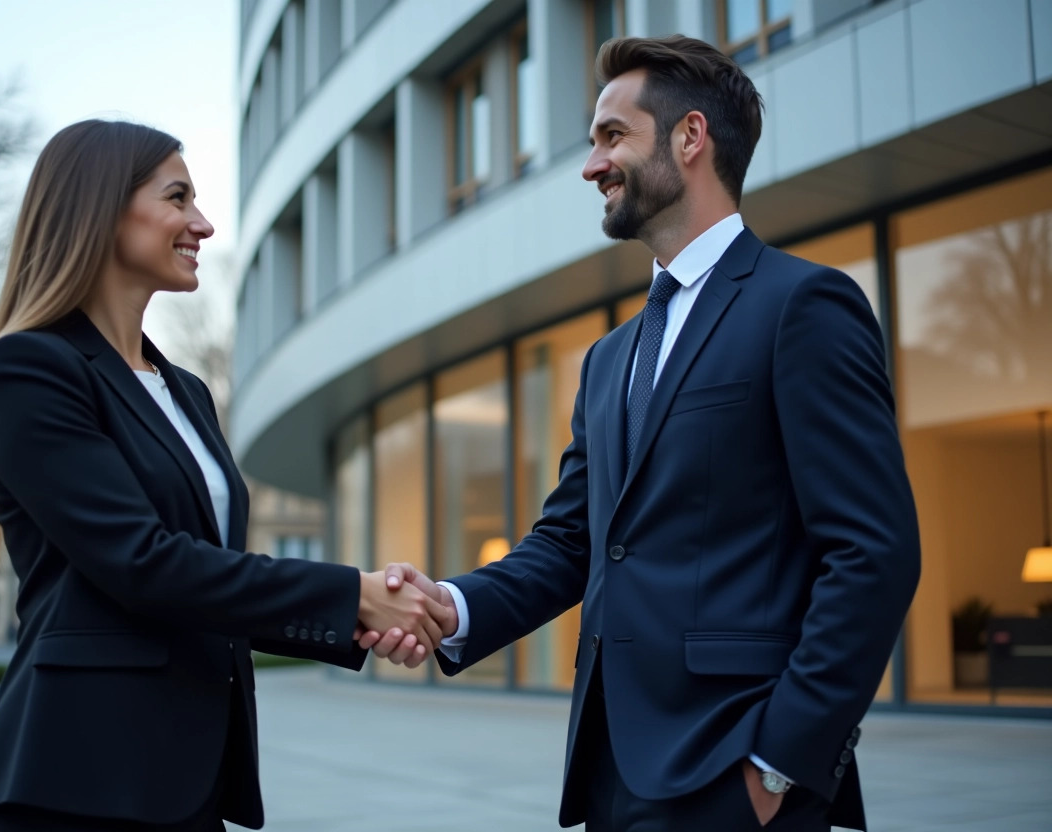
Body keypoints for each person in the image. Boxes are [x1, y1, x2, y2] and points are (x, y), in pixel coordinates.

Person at [366, 36, 921, 832]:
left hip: (737, 771)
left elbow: (875, 552)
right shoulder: (609, 358)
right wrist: (450, 607)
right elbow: (570, 544)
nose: (592, 165)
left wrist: (780, 765)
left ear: (690, 137)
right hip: (609, 774)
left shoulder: (802, 307)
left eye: (611, 137)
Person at [0, 119, 444, 831]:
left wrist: (355, 619)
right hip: (78, 778)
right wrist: (355, 597)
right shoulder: (30, 367)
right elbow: (142, 564)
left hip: (189, 779)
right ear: (100, 208)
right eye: (178, 199)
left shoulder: (185, 390)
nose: (204, 225)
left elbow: (216, 576)